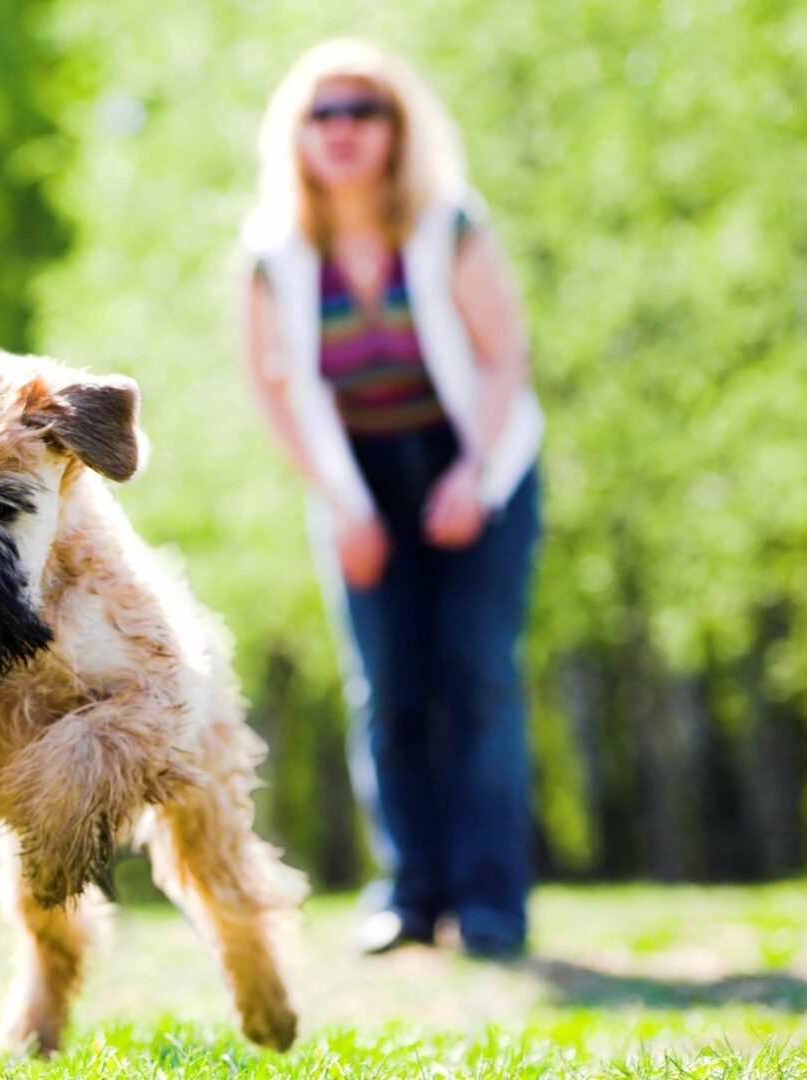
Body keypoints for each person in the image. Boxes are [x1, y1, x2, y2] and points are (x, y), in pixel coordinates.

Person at [240, 38, 543, 959]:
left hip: (476, 463)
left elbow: (504, 362)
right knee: (388, 688)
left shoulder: (449, 222)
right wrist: (343, 504)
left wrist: (472, 478)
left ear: (395, 130)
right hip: (355, 480)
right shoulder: (273, 252)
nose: (340, 129)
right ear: (297, 134)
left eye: (361, 111)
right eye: (321, 113)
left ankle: (490, 904)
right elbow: (275, 390)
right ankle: (408, 894)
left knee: (478, 679)